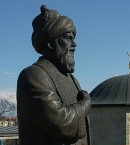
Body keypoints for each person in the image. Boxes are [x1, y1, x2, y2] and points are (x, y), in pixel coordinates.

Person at [17, 5, 91, 145]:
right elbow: (62, 123)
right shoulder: (33, 75)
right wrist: (84, 105)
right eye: (68, 38)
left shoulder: (70, 78)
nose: (74, 44)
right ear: (50, 43)